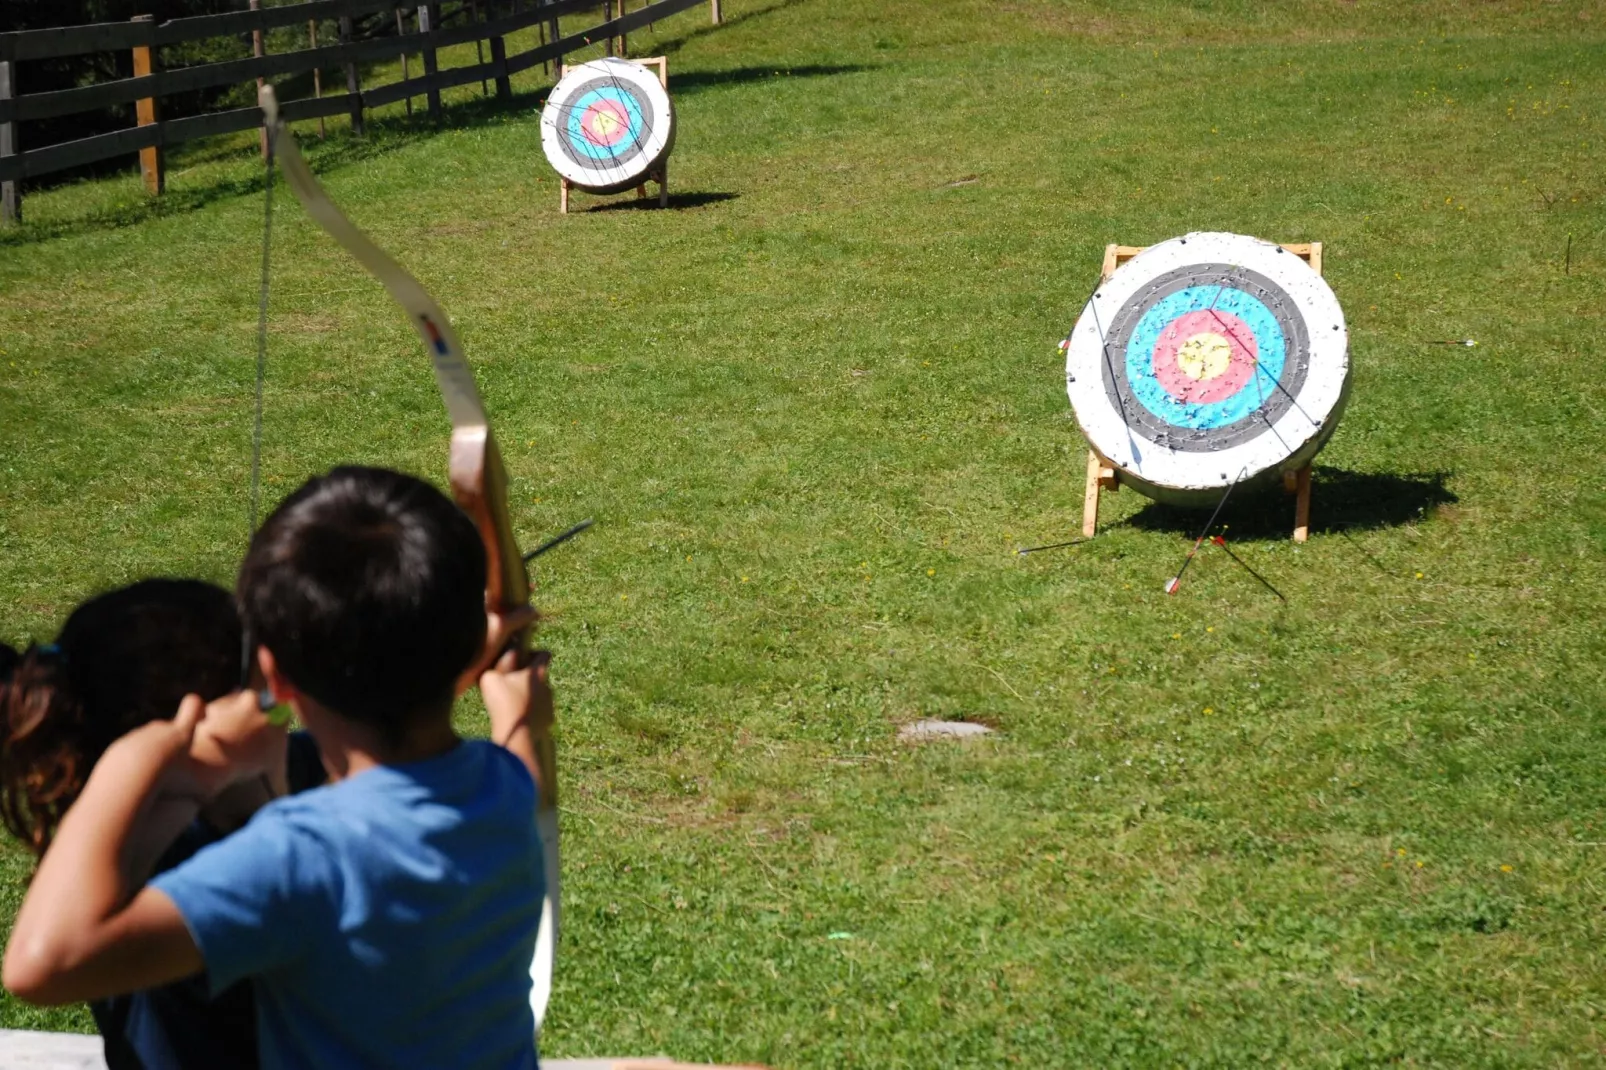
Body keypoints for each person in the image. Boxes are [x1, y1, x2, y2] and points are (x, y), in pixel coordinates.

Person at [3, 466, 550, 1070]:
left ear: (280, 681)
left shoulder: (281, 856)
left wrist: (145, 758)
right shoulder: (500, 785)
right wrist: (465, 667)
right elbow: (41, 963)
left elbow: (40, 960)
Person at [0, 578, 311, 1070]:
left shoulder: (290, 774)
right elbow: (39, 962)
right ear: (204, 727)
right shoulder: (168, 866)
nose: (280, 701)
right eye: (264, 691)